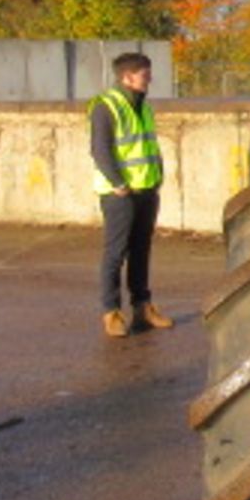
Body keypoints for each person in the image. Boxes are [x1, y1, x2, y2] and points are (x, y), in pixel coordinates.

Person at [90, 52, 172, 338]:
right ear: (127, 77)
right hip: (120, 194)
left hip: (147, 189)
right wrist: (117, 183)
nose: (149, 78)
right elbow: (100, 149)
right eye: (144, 74)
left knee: (141, 251)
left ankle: (142, 307)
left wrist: (158, 175)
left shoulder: (144, 106)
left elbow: (148, 145)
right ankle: (111, 312)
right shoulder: (106, 107)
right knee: (115, 253)